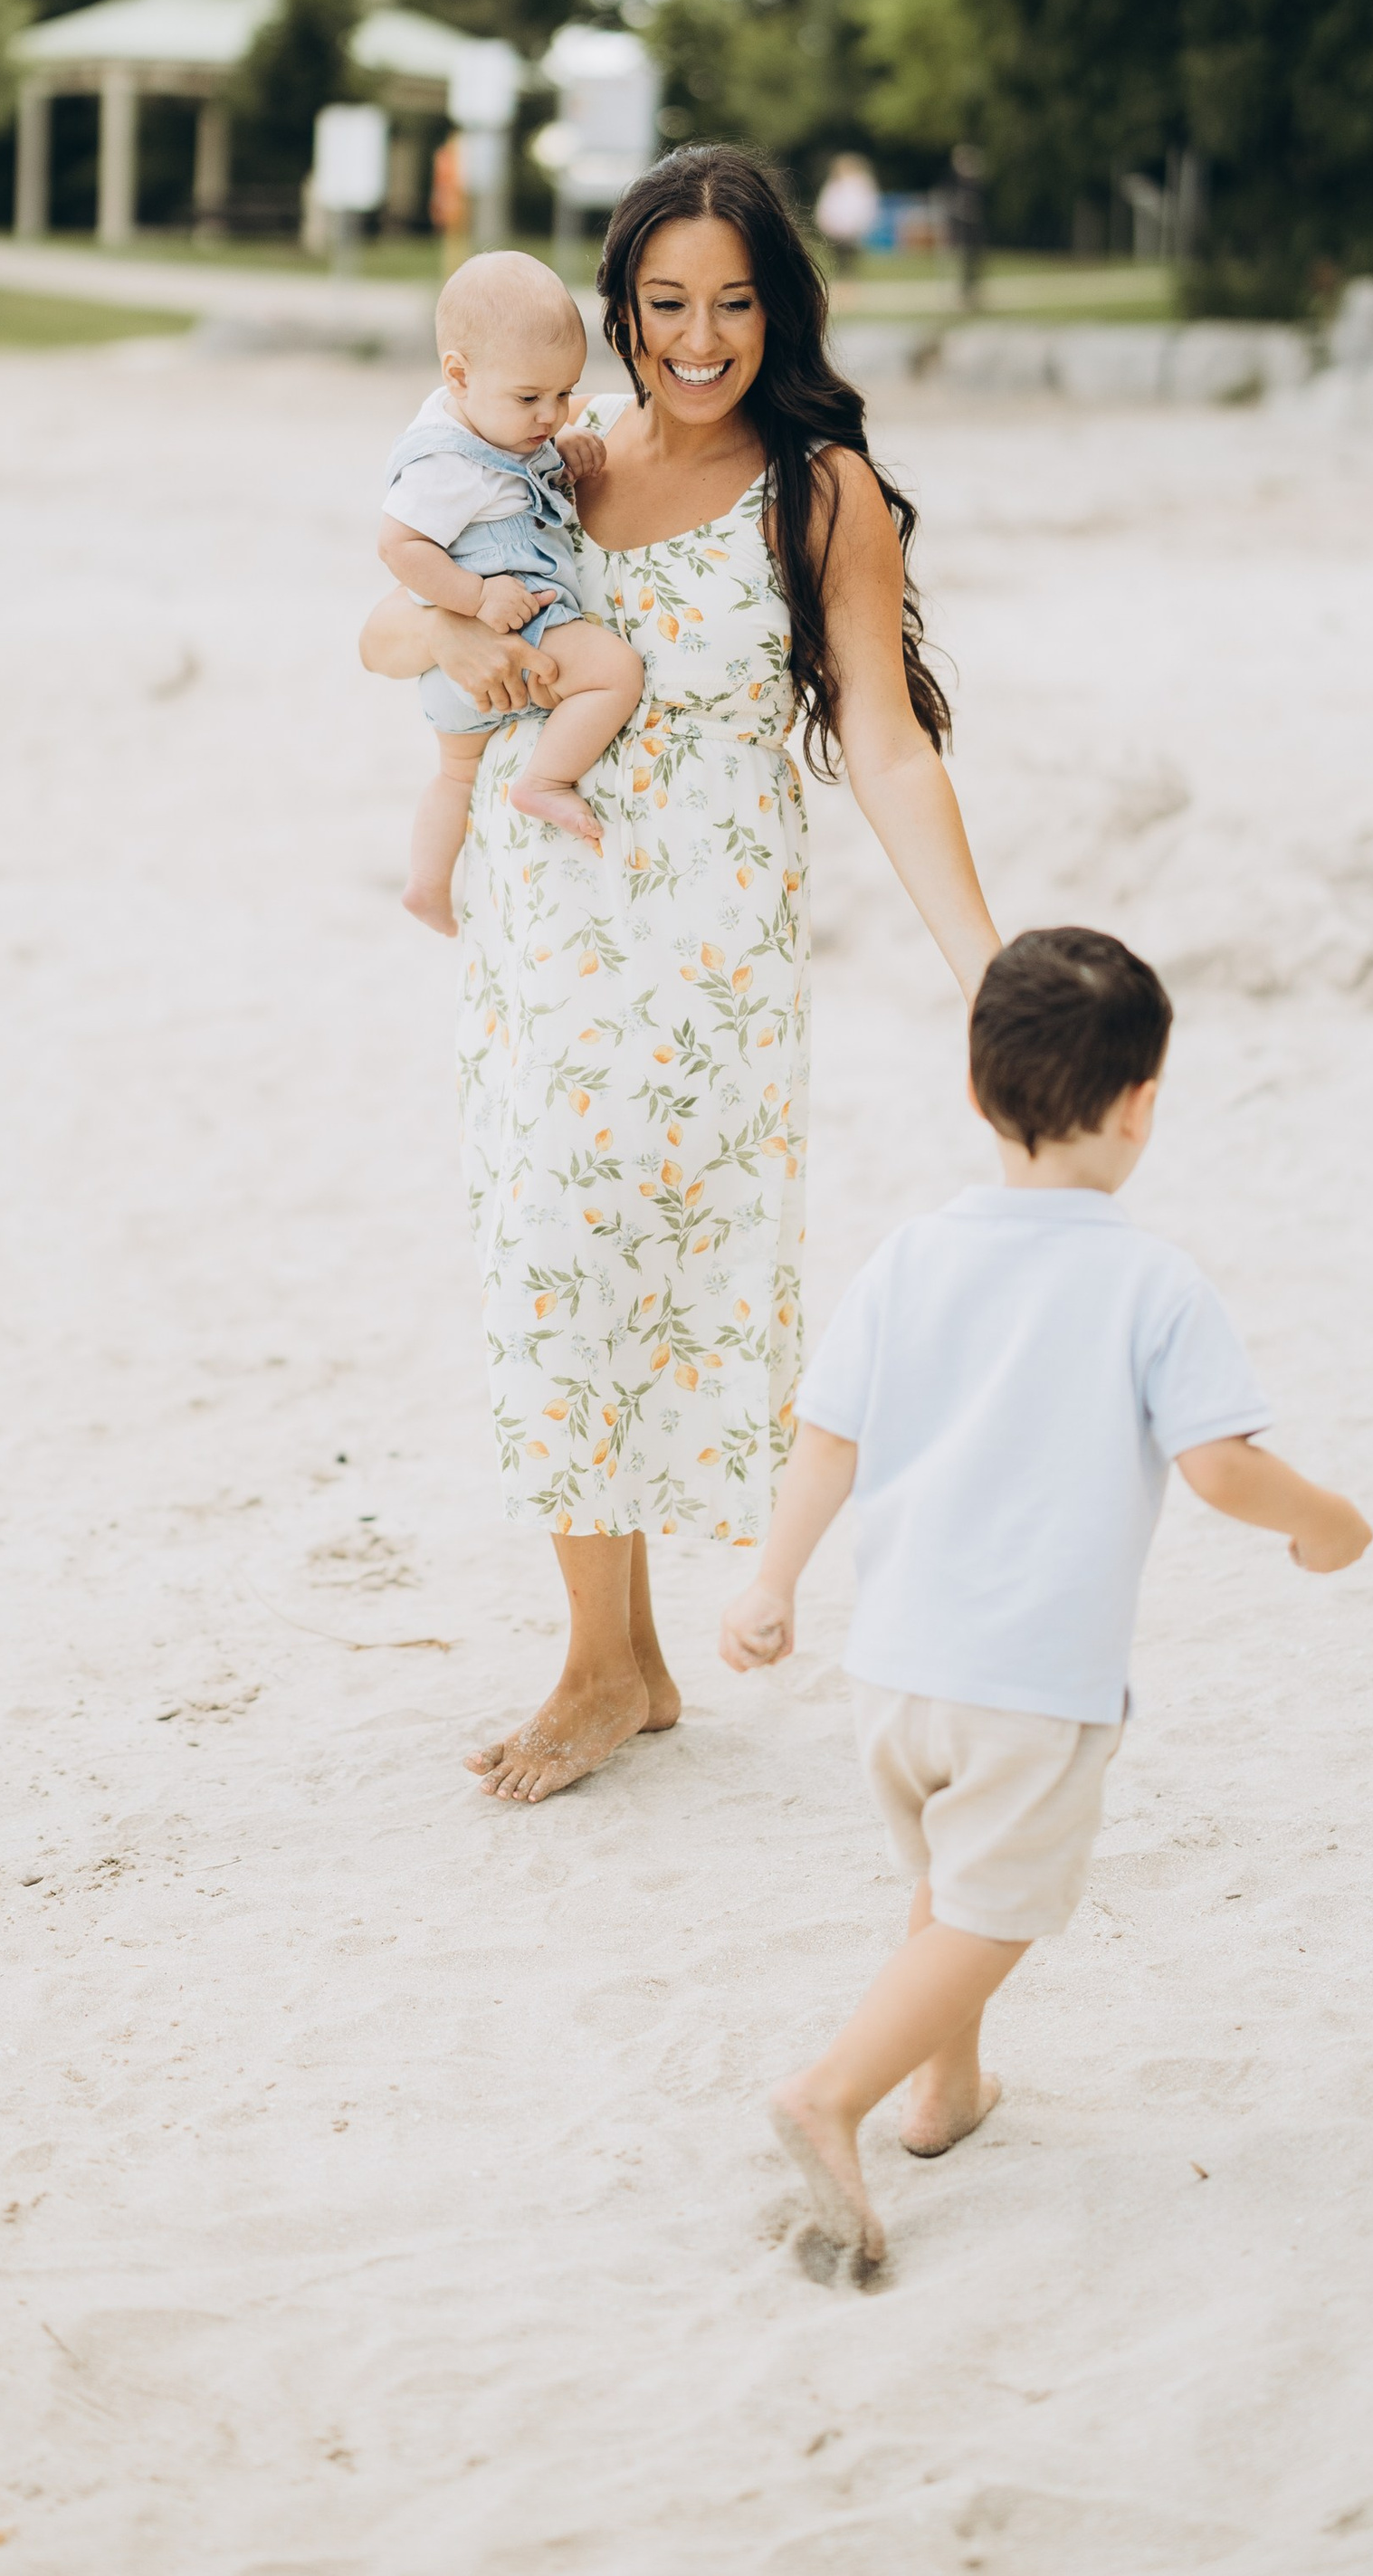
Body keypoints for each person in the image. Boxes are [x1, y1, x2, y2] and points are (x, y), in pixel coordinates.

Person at [358, 144, 1000, 1804]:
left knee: (651, 1275)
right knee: (558, 1256)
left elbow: (882, 730)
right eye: (664, 305)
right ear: (617, 309)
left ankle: (613, 1665)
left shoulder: (822, 488)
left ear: (777, 305)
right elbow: (382, 625)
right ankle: (612, 1660)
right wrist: (451, 636)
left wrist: (984, 969)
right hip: (547, 937)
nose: (699, 339)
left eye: (731, 302)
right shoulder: (553, 459)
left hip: (710, 957)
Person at [719, 926, 1373, 2277]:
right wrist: (1327, 1525)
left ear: (977, 1093)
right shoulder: (1152, 1281)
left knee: (945, 1882)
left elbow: (828, 1434)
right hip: (1029, 1680)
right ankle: (829, 2094)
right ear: (1142, 1107)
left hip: (893, 1672)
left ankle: (942, 2092)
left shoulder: (909, 1257)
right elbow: (1220, 1467)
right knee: (995, 1912)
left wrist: (772, 1581)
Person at [381, 252, 647, 937]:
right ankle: (546, 781)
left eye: (565, 393)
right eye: (531, 399)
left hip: (459, 678)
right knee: (615, 671)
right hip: (514, 623)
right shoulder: (445, 461)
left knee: (453, 778)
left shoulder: (498, 426)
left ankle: (427, 884)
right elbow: (398, 548)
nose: (551, 414)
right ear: (459, 375)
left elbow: (532, 462)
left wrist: (569, 450)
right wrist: (471, 599)